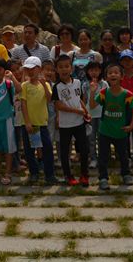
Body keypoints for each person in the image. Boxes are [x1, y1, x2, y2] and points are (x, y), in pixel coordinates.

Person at [95, 64, 133, 191]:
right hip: (105, 131)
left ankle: (126, 174)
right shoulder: (103, 93)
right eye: (110, 73)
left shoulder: (127, 94)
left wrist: (131, 125)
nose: (113, 75)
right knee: (103, 156)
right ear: (106, 77)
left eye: (116, 72)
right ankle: (103, 178)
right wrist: (92, 92)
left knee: (123, 155)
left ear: (122, 76)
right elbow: (92, 105)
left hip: (121, 131)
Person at [52, 54, 90, 187]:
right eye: (61, 67)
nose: (64, 69)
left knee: (84, 150)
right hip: (65, 125)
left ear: (71, 68)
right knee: (64, 152)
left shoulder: (78, 82)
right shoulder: (57, 87)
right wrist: (76, 111)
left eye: (67, 66)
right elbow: (58, 105)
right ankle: (68, 176)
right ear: (56, 69)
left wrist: (85, 111)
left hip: (79, 123)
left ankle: (84, 175)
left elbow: (79, 99)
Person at [20, 56, 56, 185]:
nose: (30, 72)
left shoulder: (46, 84)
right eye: (27, 69)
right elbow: (23, 104)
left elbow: (50, 99)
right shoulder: (24, 85)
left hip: (42, 123)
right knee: (29, 150)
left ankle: (49, 174)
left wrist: (44, 85)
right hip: (29, 124)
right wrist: (27, 122)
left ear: (39, 69)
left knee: (47, 149)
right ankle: (34, 172)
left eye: (33, 69)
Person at [84, 61, 108, 170]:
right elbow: (84, 100)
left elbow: (105, 99)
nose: (94, 72)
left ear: (100, 71)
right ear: (88, 71)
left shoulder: (104, 84)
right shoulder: (85, 84)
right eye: (91, 70)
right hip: (90, 115)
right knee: (91, 138)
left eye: (96, 70)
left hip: (102, 114)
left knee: (102, 138)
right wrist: (85, 112)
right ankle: (93, 158)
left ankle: (103, 158)